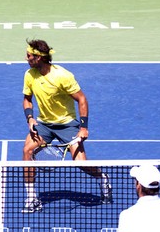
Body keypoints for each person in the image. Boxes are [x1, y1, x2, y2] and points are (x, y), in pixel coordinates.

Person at [21, 38, 112, 213]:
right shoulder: (29, 75)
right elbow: (27, 99)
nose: (26, 58)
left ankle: (102, 178)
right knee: (27, 150)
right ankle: (31, 198)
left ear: (38, 58)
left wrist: (83, 127)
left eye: (29, 55)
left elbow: (82, 99)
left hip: (67, 125)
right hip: (44, 124)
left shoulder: (62, 76)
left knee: (81, 164)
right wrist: (30, 119)